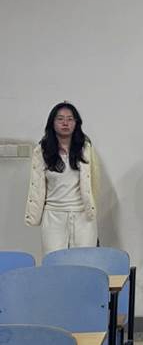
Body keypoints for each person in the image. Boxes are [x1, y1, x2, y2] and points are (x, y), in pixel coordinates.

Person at [25, 102, 99, 255]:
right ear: (52, 123)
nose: (65, 123)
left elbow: (95, 181)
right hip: (53, 215)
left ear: (76, 123)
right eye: (60, 119)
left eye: (70, 119)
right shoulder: (42, 151)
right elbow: (36, 186)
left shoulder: (86, 148)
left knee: (84, 261)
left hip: (82, 215)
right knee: (54, 261)